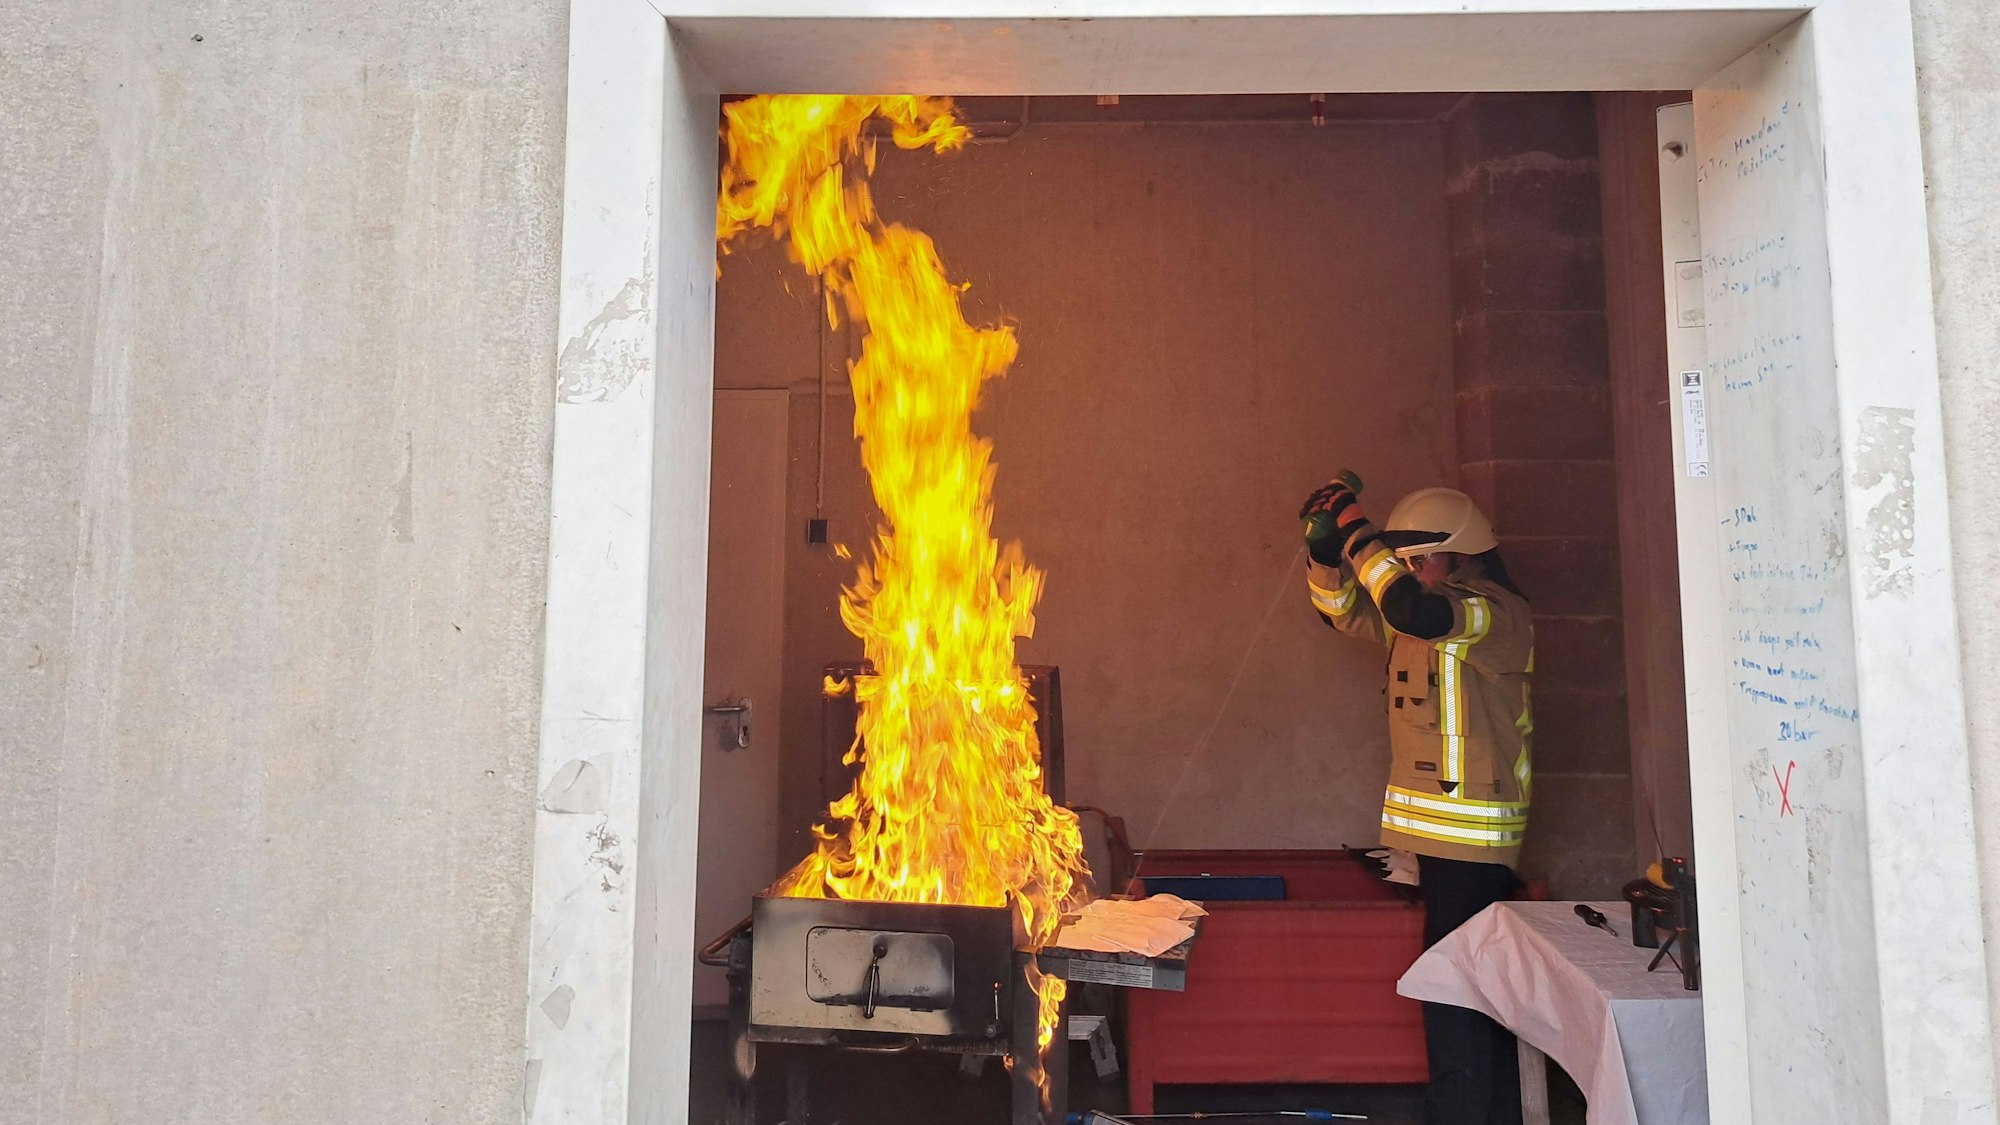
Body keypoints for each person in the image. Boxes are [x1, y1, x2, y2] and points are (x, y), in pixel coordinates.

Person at [1299, 476, 1534, 1125]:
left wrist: (1356, 530)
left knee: (1456, 989)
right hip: (1437, 838)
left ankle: (1465, 1112)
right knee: (1459, 982)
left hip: (1473, 836)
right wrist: (1325, 553)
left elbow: (1412, 610)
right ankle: (1486, 1110)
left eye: (1415, 560)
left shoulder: (1489, 612)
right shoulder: (1427, 612)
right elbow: (1344, 610)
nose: (1405, 573)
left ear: (1458, 554)